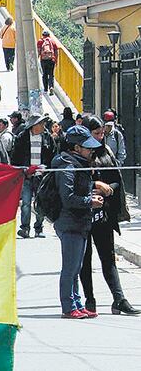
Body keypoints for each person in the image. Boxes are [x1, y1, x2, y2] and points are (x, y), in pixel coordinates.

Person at [79, 115, 139, 316]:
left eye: (101, 133)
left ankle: (119, 299)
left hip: (103, 216)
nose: (99, 137)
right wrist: (93, 185)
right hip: (81, 216)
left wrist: (108, 189)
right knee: (84, 260)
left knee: (108, 258)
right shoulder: (76, 155)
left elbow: (116, 180)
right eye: (95, 133)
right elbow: (71, 182)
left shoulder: (106, 153)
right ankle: (89, 300)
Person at [52, 125, 105, 319]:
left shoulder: (79, 165)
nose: (91, 151)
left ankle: (77, 304)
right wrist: (89, 201)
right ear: (76, 148)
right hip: (69, 222)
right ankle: (68, 307)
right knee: (70, 268)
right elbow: (68, 198)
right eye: (87, 147)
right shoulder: (67, 166)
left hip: (80, 222)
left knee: (76, 267)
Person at [10, 114, 56, 239]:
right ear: (34, 125)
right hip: (26, 176)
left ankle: (38, 228)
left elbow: (53, 154)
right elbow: (15, 157)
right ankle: (25, 228)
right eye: (41, 124)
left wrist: (47, 168)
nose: (43, 126)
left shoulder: (47, 137)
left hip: (42, 177)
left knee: (41, 202)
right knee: (25, 203)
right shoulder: (21, 138)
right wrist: (24, 170)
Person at [37, 29, 59, 95]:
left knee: (45, 74)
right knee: (51, 74)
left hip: (43, 60)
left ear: (42, 35)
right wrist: (56, 60)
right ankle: (51, 87)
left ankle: (45, 89)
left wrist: (37, 58)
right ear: (49, 35)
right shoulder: (52, 41)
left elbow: (38, 51)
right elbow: (56, 51)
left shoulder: (40, 41)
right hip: (51, 59)